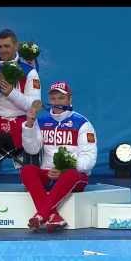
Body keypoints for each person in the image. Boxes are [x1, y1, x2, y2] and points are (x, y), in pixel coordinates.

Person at [21, 81, 97, 232]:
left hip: (73, 175)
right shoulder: (41, 121)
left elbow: (89, 159)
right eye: (54, 98)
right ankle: (54, 217)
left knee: (71, 174)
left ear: (69, 99)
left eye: (61, 98)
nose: (57, 102)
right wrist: (29, 124)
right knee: (27, 170)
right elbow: (32, 149)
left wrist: (65, 168)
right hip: (48, 173)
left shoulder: (82, 123)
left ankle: (40, 215)